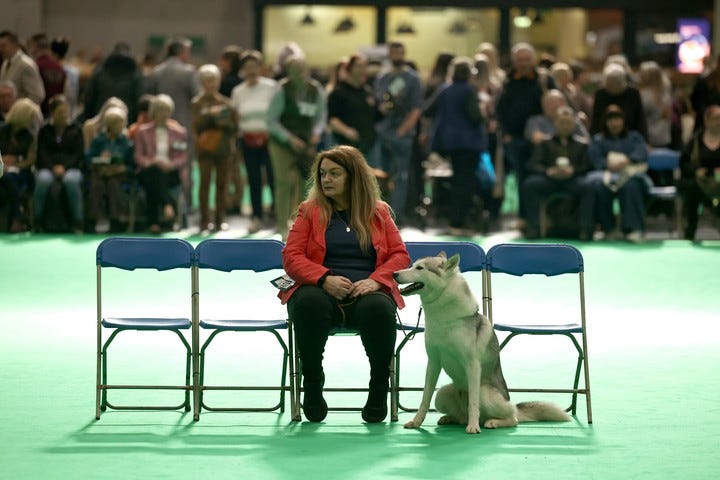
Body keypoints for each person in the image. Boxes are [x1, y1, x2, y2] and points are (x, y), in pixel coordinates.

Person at [279, 145, 410, 423]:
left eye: (335, 173)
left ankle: (378, 389)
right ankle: (312, 384)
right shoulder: (309, 210)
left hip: (367, 291)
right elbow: (291, 256)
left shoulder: (379, 211)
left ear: (354, 176)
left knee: (378, 308)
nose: (326, 179)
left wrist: (376, 281)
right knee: (308, 303)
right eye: (323, 173)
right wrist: (324, 278)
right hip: (320, 290)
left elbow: (400, 256)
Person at [423, 56, 486, 235]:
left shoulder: (444, 89)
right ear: (470, 74)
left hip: (446, 145)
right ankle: (458, 223)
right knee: (464, 183)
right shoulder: (469, 91)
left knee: (454, 182)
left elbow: (427, 110)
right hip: (468, 144)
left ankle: (452, 220)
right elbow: (475, 116)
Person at [267, 52, 326, 240]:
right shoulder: (281, 89)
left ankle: (300, 226)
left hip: (306, 142)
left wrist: (316, 133)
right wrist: (289, 138)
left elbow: (320, 116)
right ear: (288, 71)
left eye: (300, 69)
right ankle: (281, 225)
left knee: (305, 183)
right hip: (282, 142)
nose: (298, 73)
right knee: (283, 183)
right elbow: (271, 120)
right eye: (293, 69)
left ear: (306, 69)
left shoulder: (315, 89)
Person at [496, 42, 555, 223]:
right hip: (515, 139)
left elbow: (555, 103)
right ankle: (524, 217)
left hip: (540, 138)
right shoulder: (507, 80)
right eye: (519, 60)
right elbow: (500, 109)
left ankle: (542, 217)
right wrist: (504, 133)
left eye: (526, 59)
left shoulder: (544, 80)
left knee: (537, 176)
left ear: (533, 60)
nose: (523, 63)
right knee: (521, 177)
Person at [521, 107, 595, 240]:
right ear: (555, 123)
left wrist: (573, 171)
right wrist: (549, 171)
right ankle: (534, 227)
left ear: (573, 124)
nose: (565, 125)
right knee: (529, 185)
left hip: (572, 180)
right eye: (562, 122)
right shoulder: (545, 143)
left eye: (568, 122)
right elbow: (533, 164)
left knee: (588, 188)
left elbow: (587, 166)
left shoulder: (582, 144)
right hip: (549, 180)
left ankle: (586, 229)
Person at [372, 41, 424, 226]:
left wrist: (403, 131)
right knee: (379, 175)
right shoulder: (382, 78)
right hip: (383, 131)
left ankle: (396, 216)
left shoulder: (413, 79)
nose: (396, 55)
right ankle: (378, 214)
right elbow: (378, 103)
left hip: (402, 133)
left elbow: (416, 109)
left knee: (400, 176)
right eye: (393, 52)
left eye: (399, 52)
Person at [230, 50, 277, 233]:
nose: (251, 70)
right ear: (243, 69)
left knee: (274, 178)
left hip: (269, 140)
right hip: (247, 141)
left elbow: (276, 114)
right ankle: (256, 217)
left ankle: (278, 218)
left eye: (254, 66)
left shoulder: (272, 87)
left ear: (260, 67)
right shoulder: (238, 91)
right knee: (254, 179)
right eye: (247, 67)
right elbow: (235, 118)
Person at [588, 105, 650, 243]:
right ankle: (608, 229)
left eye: (617, 119)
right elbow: (595, 160)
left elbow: (642, 154)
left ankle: (634, 229)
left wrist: (626, 160)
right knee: (598, 187)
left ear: (623, 121)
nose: (614, 123)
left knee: (631, 186)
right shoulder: (598, 140)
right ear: (605, 122)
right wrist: (608, 164)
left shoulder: (634, 137)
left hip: (631, 175)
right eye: (611, 120)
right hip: (606, 176)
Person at [191, 64, 238, 233]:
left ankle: (219, 220)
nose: (211, 84)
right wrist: (214, 117)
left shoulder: (227, 103)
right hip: (204, 149)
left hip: (224, 149)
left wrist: (216, 119)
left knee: (222, 185)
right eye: (207, 80)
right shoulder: (197, 103)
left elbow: (234, 127)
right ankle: (204, 221)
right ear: (202, 82)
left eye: (214, 80)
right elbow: (197, 126)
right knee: (204, 184)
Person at [134, 94, 189, 233]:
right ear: (153, 112)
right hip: (149, 169)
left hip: (171, 172)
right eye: (160, 110)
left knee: (155, 180)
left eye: (166, 110)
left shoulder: (179, 132)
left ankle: (154, 223)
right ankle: (169, 205)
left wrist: (171, 164)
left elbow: (183, 156)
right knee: (154, 174)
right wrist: (152, 162)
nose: (163, 114)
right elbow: (138, 156)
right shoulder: (142, 131)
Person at [34, 95, 84, 232]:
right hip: (48, 168)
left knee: (71, 181)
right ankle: (37, 221)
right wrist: (52, 167)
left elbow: (78, 154)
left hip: (71, 168)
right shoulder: (44, 131)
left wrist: (64, 167)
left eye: (66, 111)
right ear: (52, 113)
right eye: (60, 111)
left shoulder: (76, 130)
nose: (64, 114)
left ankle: (77, 222)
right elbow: (42, 154)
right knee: (42, 180)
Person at [85, 106, 134, 233]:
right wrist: (99, 161)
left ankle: (115, 222)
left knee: (113, 185)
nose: (121, 126)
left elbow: (131, 165)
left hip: (119, 175)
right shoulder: (98, 141)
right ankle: (91, 221)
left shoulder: (126, 142)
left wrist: (121, 168)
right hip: (100, 173)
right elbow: (88, 158)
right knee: (96, 185)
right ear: (110, 125)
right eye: (118, 123)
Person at [679, 104, 720, 240]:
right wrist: (695, 171)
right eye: (716, 118)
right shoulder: (695, 140)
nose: (719, 121)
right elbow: (683, 162)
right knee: (691, 190)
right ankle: (690, 231)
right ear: (706, 120)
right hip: (700, 182)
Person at [0, 98, 41, 232]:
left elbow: (30, 160)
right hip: (2, 170)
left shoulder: (30, 136)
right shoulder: (2, 131)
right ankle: (17, 218)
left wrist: (16, 163)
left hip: (22, 172)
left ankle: (17, 218)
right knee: (6, 177)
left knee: (9, 178)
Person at [327, 53, 377, 157]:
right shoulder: (339, 92)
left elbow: (374, 116)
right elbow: (332, 119)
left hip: (369, 145)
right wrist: (346, 131)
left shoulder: (367, 92)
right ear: (349, 69)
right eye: (359, 66)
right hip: (346, 147)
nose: (363, 70)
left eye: (364, 66)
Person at [82, 42, 143, 124]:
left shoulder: (100, 71)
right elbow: (140, 97)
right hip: (126, 119)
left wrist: (88, 116)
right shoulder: (136, 73)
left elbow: (89, 96)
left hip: (100, 116)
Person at [590, 63, 647, 140]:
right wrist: (593, 138)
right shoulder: (600, 94)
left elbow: (640, 119)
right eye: (609, 84)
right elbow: (596, 119)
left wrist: (644, 140)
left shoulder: (633, 93)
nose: (612, 87)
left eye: (615, 84)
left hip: (630, 137)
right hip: (605, 138)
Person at [0, 30, 45, 105]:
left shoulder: (26, 65)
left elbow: (37, 95)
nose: (0, 49)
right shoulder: (5, 63)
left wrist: (18, 108)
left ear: (15, 45)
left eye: (3, 46)